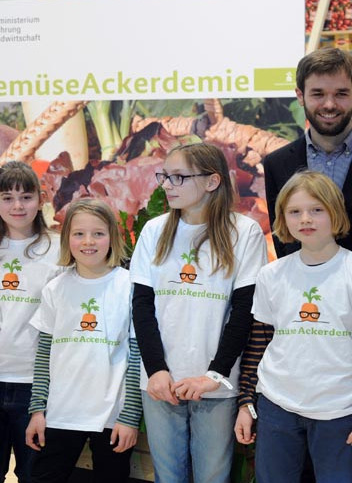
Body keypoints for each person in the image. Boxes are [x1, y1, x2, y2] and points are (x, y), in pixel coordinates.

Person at [130, 142, 268, 483]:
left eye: (178, 177)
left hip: (215, 384)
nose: (167, 185)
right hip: (162, 383)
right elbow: (142, 307)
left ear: (211, 181)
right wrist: (156, 370)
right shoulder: (155, 230)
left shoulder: (244, 232)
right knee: (168, 476)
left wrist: (214, 375)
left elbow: (243, 312)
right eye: (165, 176)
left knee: (213, 476)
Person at [234, 171, 352, 482]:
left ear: (335, 213)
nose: (305, 219)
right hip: (277, 406)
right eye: (295, 212)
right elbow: (259, 342)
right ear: (283, 219)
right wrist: (247, 401)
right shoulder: (272, 275)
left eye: (317, 209)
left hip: (339, 411)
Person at [24, 199, 141, 483]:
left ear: (112, 237)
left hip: (112, 416)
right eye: (79, 234)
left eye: (98, 233)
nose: (88, 241)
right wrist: (38, 409)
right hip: (60, 413)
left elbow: (137, 357)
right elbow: (44, 355)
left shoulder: (129, 286)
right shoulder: (55, 288)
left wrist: (129, 416)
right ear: (67, 239)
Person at [0, 161, 60, 483]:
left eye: (26, 197)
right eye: (8, 197)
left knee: (35, 473)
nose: (17, 206)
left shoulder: (58, 248)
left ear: (40, 199)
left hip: (37, 383)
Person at [263, 47, 352, 258]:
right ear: (300, 96)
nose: (329, 104)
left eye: (341, 93)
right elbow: (283, 239)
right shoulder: (277, 164)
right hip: (303, 288)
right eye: (318, 94)